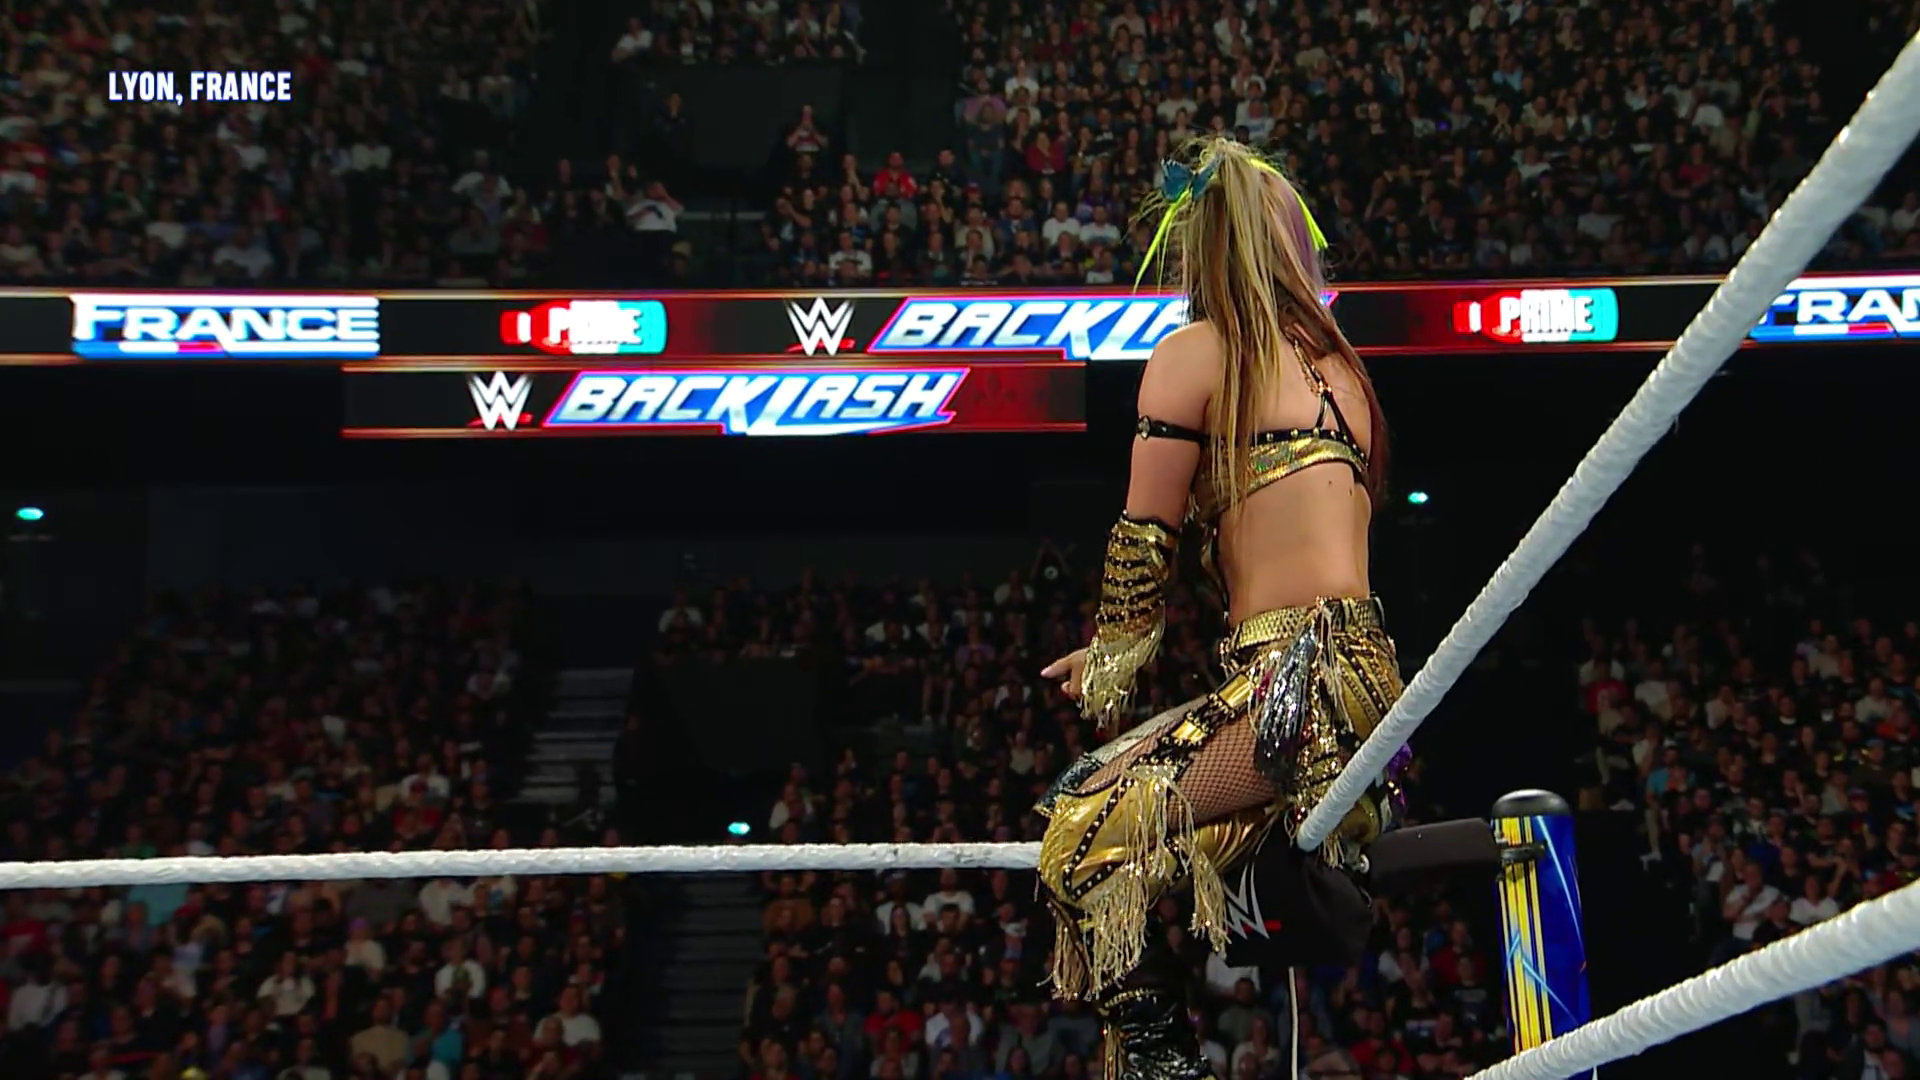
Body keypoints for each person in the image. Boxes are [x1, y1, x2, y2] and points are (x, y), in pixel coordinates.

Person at [1036, 136, 1407, 1080]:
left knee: (1076, 833)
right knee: (1159, 845)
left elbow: (1144, 534)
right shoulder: (1344, 373)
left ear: (1201, 248)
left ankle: (1163, 1063)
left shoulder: (1197, 355)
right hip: (1368, 688)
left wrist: (1112, 652)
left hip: (1294, 686)